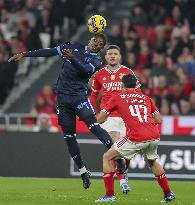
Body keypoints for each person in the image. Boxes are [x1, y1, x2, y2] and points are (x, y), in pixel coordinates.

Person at [8, 34, 125, 190]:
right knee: (69, 137)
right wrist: (25, 54)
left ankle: (118, 158)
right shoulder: (74, 46)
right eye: (95, 40)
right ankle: (83, 172)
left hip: (79, 98)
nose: (96, 43)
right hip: (62, 100)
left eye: (100, 43)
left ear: (101, 48)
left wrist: (71, 58)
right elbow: (49, 51)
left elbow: (84, 70)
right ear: (90, 39)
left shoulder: (97, 61)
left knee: (93, 126)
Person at [95, 74, 176, 203]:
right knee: (152, 162)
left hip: (135, 137)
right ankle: (168, 194)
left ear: (123, 86)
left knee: (107, 157)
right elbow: (159, 119)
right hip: (153, 135)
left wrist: (90, 119)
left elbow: (101, 119)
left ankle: (109, 195)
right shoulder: (146, 98)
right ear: (135, 86)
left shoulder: (118, 98)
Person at [90, 45, 141, 194]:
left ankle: (123, 176)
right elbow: (94, 95)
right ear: (105, 57)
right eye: (110, 54)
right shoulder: (99, 74)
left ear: (120, 57)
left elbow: (138, 93)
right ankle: (121, 182)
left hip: (125, 116)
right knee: (115, 143)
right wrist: (93, 111)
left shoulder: (127, 72)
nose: (112, 56)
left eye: (115, 54)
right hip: (109, 115)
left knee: (123, 153)